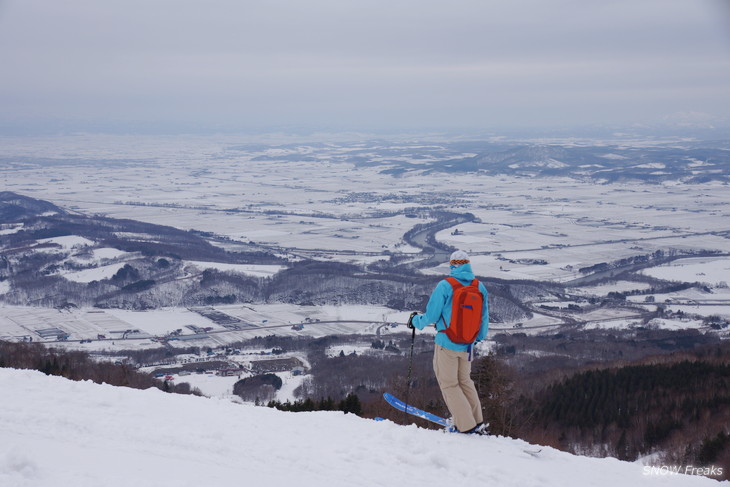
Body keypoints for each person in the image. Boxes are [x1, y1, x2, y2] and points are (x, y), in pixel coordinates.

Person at [408, 250, 489, 434]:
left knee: (449, 384)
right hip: (468, 345)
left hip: (447, 343)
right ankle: (477, 421)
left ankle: (466, 425)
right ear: (468, 264)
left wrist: (415, 321)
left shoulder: (446, 285)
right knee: (465, 381)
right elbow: (484, 319)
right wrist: (477, 338)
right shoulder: (479, 287)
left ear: (453, 265)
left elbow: (432, 315)